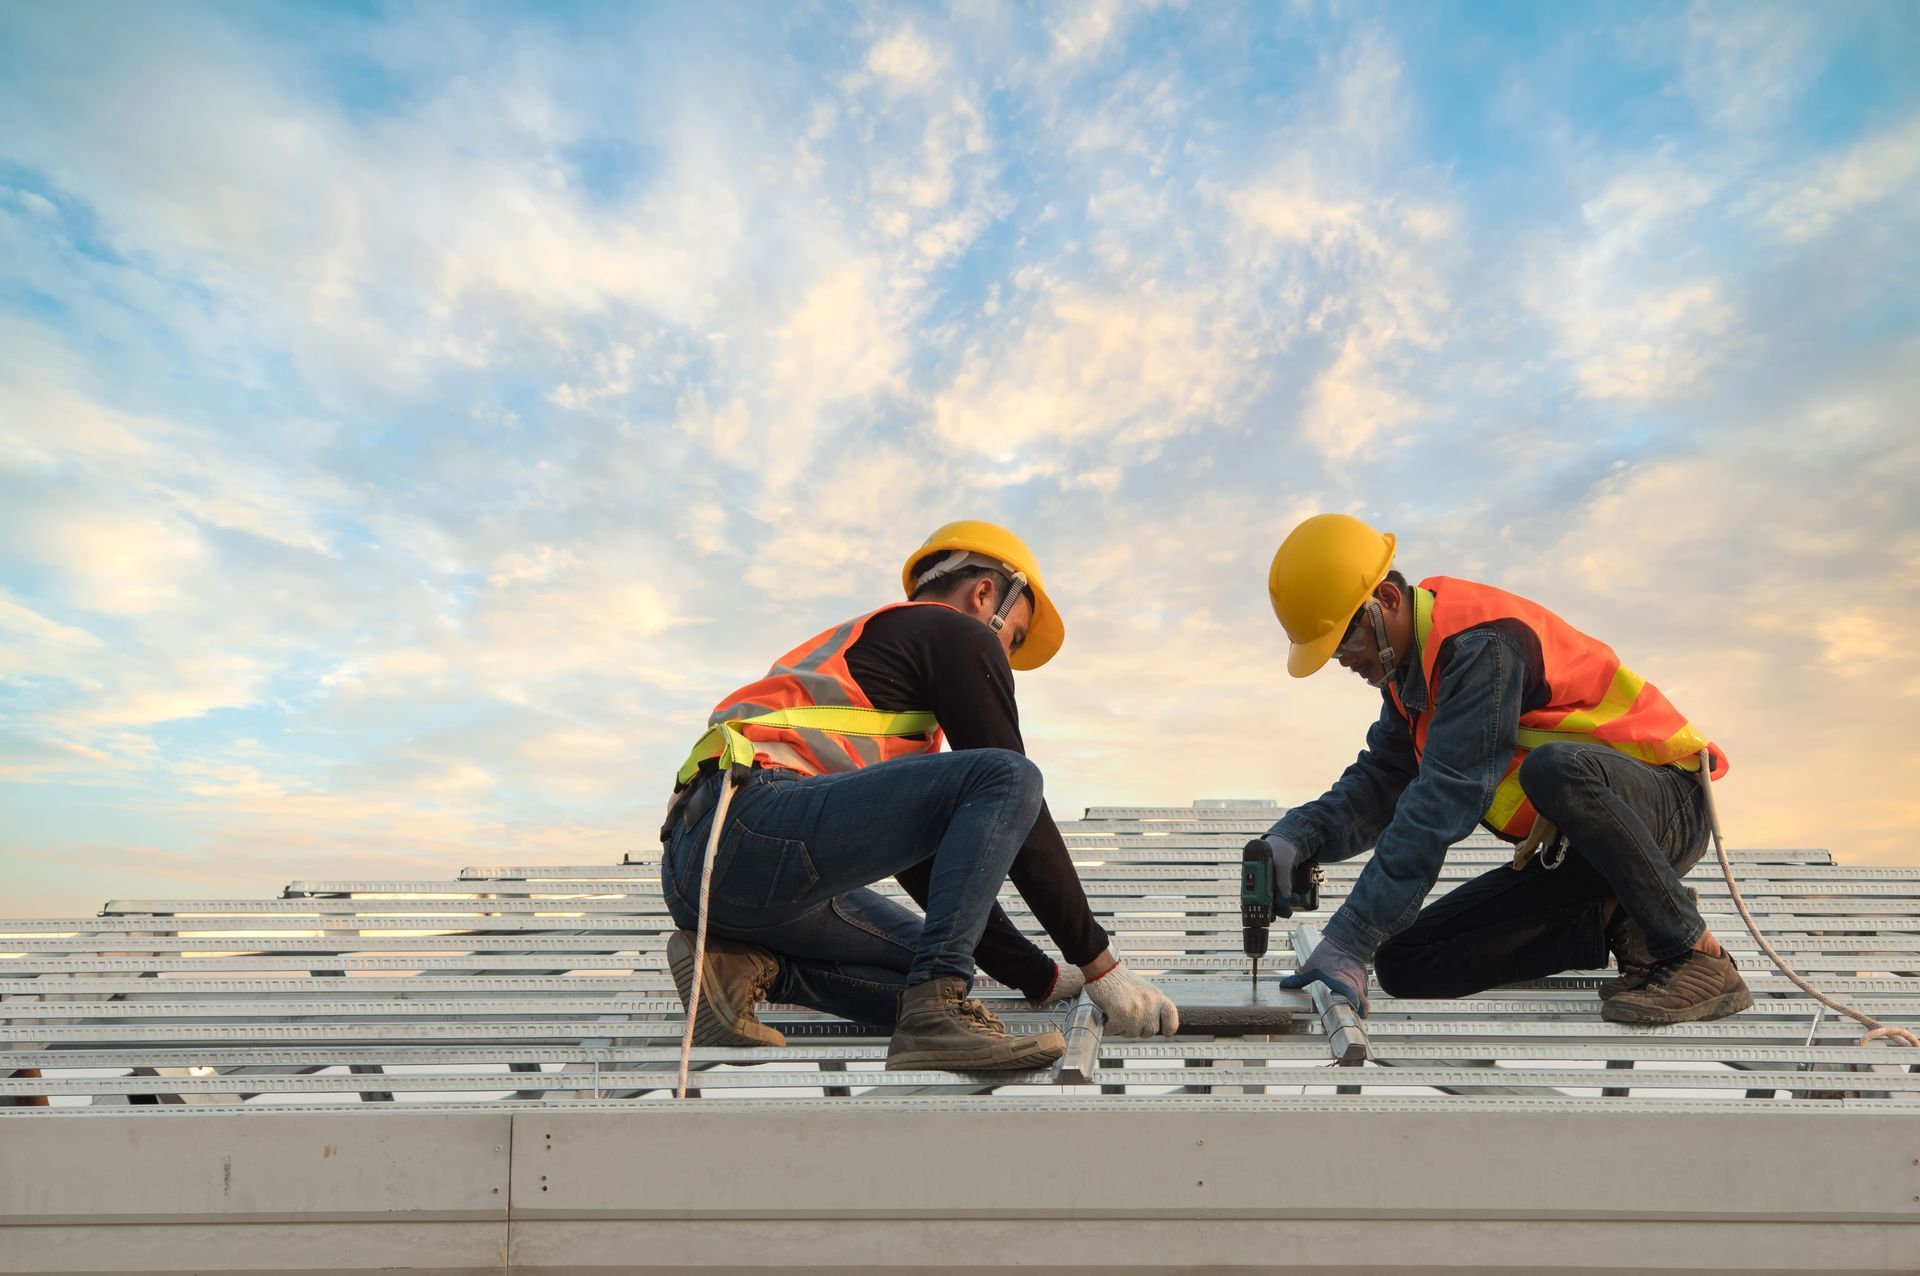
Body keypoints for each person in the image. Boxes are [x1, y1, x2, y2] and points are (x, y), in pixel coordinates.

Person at [658, 520, 1179, 1072]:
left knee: (928, 959)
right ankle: (937, 1014)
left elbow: (930, 868)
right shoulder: (952, 629)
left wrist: (1041, 976)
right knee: (1011, 776)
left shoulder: (891, 695)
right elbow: (1016, 805)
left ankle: (740, 969)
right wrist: (1101, 965)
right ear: (984, 594)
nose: (1006, 655)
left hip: (708, 868)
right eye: (1015, 637)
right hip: (750, 822)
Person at [1259, 513, 1751, 1026]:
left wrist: (1349, 937)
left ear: (1385, 600)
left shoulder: (1480, 646)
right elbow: (1382, 782)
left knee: (1554, 769)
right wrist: (1299, 836)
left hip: (1665, 805)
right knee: (1406, 961)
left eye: (1344, 639)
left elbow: (1442, 803)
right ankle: (1622, 917)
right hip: (1584, 853)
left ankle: (1694, 953)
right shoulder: (1412, 681)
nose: (1341, 659)